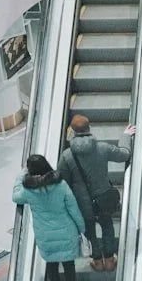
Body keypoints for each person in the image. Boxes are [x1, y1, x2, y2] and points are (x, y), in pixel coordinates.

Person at [57, 115, 133, 272]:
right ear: (89, 128)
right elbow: (124, 154)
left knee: (89, 229)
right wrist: (125, 136)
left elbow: (63, 181)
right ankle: (110, 260)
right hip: (103, 197)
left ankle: (97, 261)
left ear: (72, 131)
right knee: (107, 226)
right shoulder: (102, 148)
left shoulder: (67, 155)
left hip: (81, 202)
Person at [12, 155, 85, 281]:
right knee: (69, 265)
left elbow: (15, 197)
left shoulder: (28, 190)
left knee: (52, 267)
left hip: (45, 235)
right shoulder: (61, 185)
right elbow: (73, 208)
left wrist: (21, 176)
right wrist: (81, 228)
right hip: (66, 231)